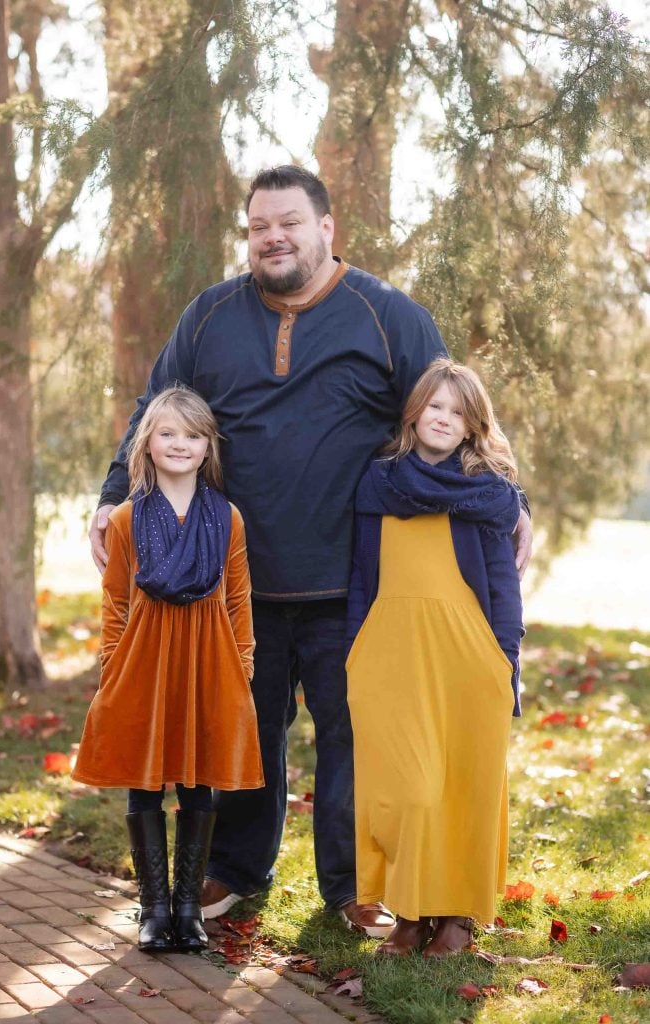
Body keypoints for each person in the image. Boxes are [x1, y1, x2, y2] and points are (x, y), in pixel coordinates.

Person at [89, 165, 533, 937]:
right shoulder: (209, 316)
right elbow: (154, 406)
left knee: (354, 738)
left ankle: (355, 884)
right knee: (242, 728)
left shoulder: (385, 313)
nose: (273, 237)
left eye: (288, 222)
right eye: (259, 226)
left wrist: (512, 501)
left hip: (351, 580)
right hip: (229, 577)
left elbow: (449, 407)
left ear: (327, 227)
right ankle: (234, 869)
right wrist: (110, 496)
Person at [74, 387, 263, 953]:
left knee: (199, 776)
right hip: (144, 658)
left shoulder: (226, 517)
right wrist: (113, 668)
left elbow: (238, 597)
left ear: (208, 448)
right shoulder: (129, 518)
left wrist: (243, 663)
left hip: (210, 659)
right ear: (147, 446)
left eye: (193, 435)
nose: (180, 444)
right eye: (168, 434)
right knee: (146, 777)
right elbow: (116, 603)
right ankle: (154, 908)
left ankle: (188, 908)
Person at [345, 358, 524, 956]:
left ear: (474, 425)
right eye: (435, 406)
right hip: (391, 654)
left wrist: (506, 661)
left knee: (464, 787)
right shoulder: (379, 483)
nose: (444, 418)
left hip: (469, 657)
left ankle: (453, 918)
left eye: (458, 411)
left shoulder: (489, 496)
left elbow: (502, 584)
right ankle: (408, 907)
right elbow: (362, 578)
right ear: (415, 411)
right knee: (408, 789)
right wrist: (354, 653)